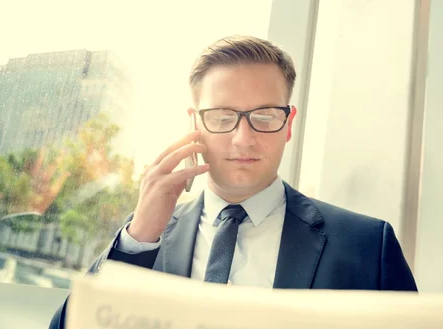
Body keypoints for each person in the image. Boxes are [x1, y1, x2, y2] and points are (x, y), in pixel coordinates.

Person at [49, 35, 417, 329]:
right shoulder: (144, 240)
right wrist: (138, 238)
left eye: (265, 115)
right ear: (195, 124)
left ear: (288, 124)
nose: (243, 138)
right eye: (223, 117)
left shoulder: (369, 246)